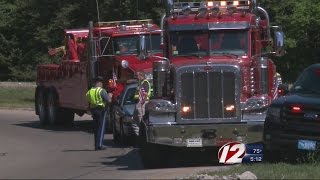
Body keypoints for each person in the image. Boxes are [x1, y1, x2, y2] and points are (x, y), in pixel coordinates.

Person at [86, 77, 113, 150]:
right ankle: (99, 145)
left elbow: (89, 101)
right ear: (100, 83)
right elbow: (108, 101)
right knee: (101, 128)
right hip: (101, 110)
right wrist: (110, 96)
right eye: (101, 83)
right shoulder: (101, 90)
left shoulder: (90, 91)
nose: (102, 85)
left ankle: (96, 145)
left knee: (96, 128)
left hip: (93, 110)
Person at [132, 71, 152, 138]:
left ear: (141, 76)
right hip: (138, 103)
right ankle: (139, 136)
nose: (136, 77)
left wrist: (142, 102)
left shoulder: (145, 83)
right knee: (134, 121)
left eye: (137, 76)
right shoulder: (140, 83)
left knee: (141, 121)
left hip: (142, 103)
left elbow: (145, 94)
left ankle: (143, 137)